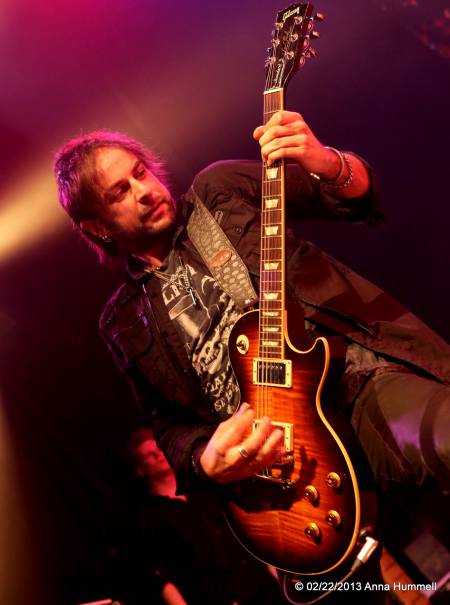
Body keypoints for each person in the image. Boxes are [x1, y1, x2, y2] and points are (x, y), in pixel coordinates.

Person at [54, 110, 450, 601]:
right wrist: (207, 460)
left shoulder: (219, 191)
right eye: (120, 192)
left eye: (140, 173)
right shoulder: (123, 321)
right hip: (280, 472)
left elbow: (354, 198)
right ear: (97, 227)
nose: (145, 191)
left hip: (355, 388)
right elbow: (170, 429)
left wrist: (326, 162)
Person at [119, 428, 284, 605]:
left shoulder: (202, 485)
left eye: (159, 449)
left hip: (261, 585)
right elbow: (162, 576)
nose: (158, 455)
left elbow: (248, 529)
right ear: (140, 470)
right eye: (148, 455)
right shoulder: (150, 516)